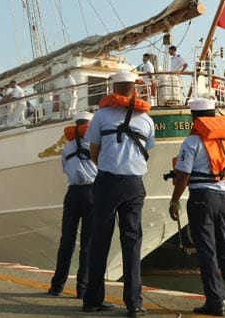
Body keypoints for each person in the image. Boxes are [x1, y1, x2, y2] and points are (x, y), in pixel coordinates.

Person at [82, 71, 155, 318]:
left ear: (113, 89)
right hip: (134, 184)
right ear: (135, 90)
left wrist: (107, 165)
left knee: (99, 240)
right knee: (132, 242)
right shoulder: (146, 119)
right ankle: (134, 303)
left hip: (106, 182)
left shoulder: (101, 115)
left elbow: (94, 151)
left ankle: (92, 299)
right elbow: (148, 150)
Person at [168, 98, 225, 316]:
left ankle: (215, 301)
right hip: (224, 199)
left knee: (207, 251)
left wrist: (174, 200)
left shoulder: (192, 142)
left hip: (202, 197)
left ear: (195, 117)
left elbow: (183, 175)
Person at [48, 111, 97, 299]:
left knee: (66, 241)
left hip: (72, 194)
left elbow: (64, 169)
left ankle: (57, 286)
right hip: (91, 192)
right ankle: (82, 289)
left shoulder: (67, 148)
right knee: (88, 244)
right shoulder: (94, 145)